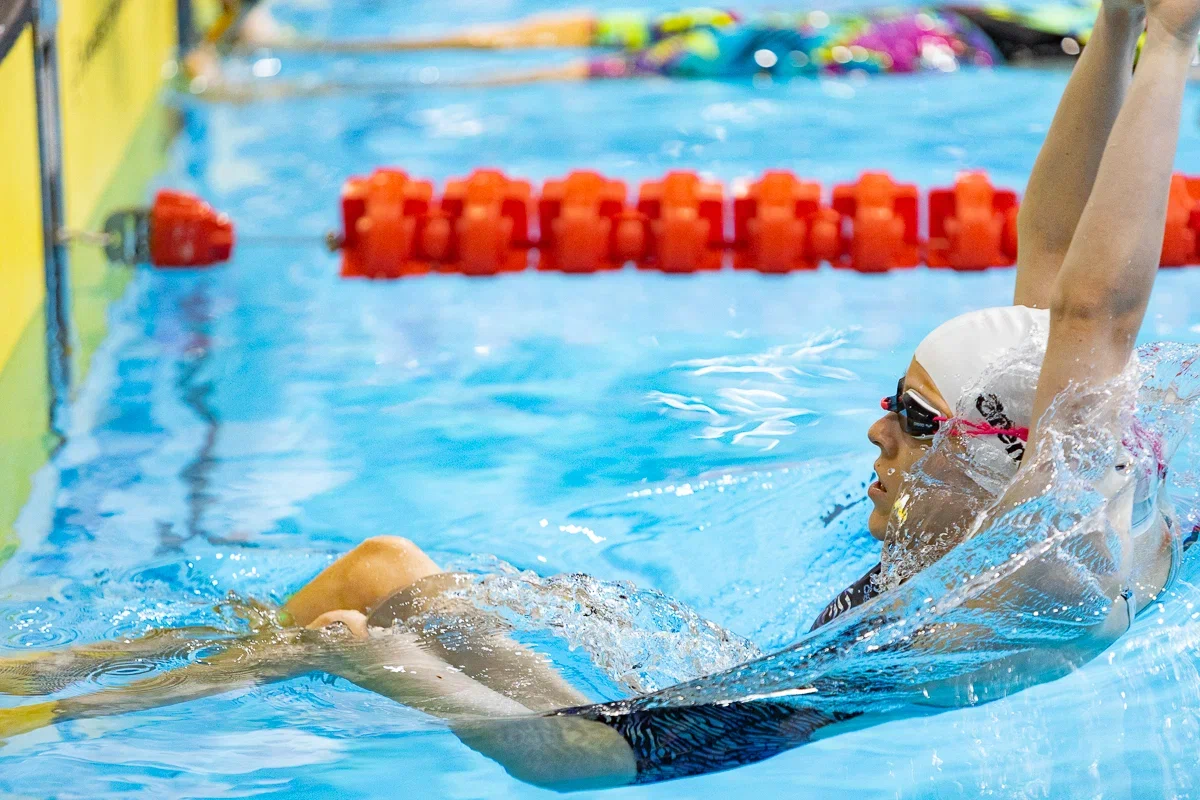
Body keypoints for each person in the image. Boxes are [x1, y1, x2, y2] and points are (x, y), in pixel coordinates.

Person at [4, 0, 1199, 790]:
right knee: (381, 570)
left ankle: (79, 712)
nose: (876, 430)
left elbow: (1099, 310)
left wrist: (1180, 45)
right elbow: (1051, 264)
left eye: (913, 416)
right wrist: (1113, 20)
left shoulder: (1060, 556)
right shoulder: (1050, 467)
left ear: (1009, 448)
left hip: (626, 743)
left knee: (387, 653)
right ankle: (40, 694)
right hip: (730, 667)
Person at [230, 2, 1102, 84]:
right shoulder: (972, 51)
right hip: (747, 53)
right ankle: (284, 74)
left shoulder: (965, 28)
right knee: (554, 66)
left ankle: (288, 49)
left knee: (542, 38)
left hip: (738, 32)